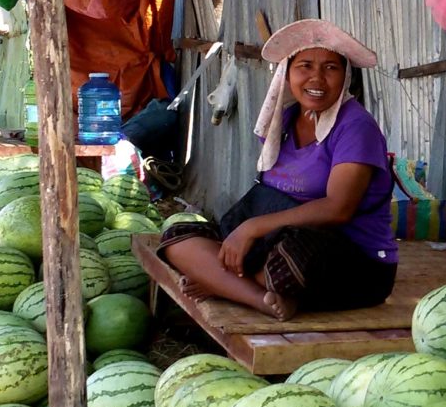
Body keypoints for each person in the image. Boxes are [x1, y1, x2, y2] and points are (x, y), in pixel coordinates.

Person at [157, 19, 398, 320]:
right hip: (278, 242)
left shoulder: (355, 127)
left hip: (355, 263)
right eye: (305, 66)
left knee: (289, 263)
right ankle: (258, 298)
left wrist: (252, 228)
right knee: (177, 239)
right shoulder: (282, 123)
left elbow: (338, 209)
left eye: (331, 68)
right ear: (287, 73)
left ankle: (224, 282)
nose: (317, 78)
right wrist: (247, 234)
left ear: (346, 75)